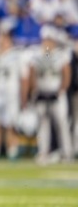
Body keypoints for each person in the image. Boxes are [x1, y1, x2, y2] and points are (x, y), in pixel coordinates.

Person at [25, 26, 73, 164]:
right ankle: (43, 152)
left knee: (62, 124)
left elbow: (66, 73)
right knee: (43, 125)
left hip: (56, 93)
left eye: (49, 40)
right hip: (42, 93)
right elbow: (33, 72)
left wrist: (62, 89)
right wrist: (34, 90)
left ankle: (67, 153)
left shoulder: (61, 55)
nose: (47, 43)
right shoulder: (39, 55)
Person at [0, 22, 26, 160]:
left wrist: (47, 47)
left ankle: (12, 149)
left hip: (12, 94)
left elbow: (46, 55)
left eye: (5, 36)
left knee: (11, 123)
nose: (2, 39)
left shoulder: (18, 54)